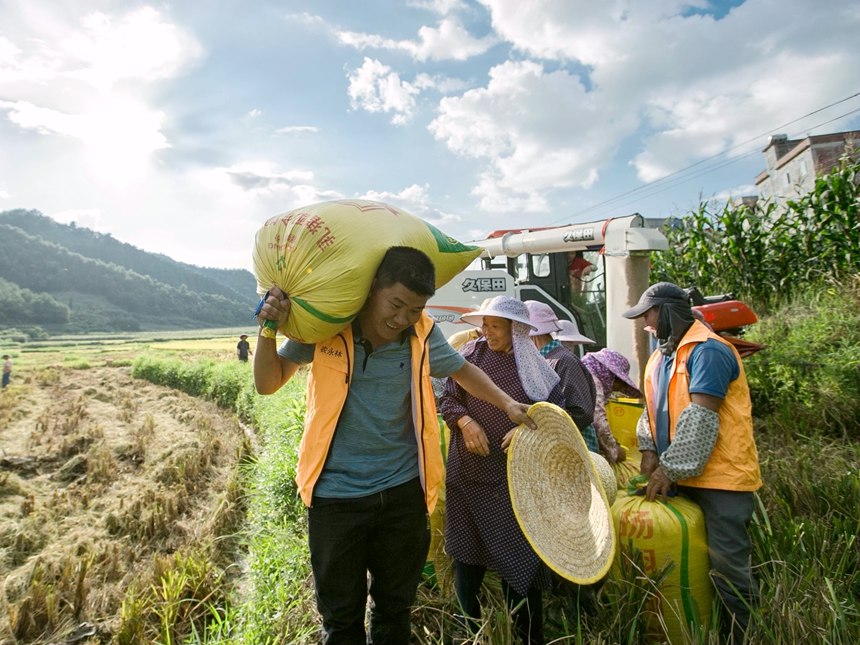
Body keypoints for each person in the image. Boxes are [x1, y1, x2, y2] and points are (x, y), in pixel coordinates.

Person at [253, 247, 536, 645]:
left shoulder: (421, 330)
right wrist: (267, 327)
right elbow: (267, 382)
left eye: (414, 308)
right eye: (397, 304)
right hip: (336, 498)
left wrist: (506, 402)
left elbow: (462, 370)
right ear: (372, 291)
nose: (402, 319)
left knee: (394, 612)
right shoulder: (327, 327)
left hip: (402, 496)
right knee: (341, 621)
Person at [623, 282, 762, 642]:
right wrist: (649, 449)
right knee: (695, 568)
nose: (646, 325)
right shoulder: (660, 358)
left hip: (721, 480)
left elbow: (701, 418)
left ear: (668, 312)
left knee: (727, 571)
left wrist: (670, 468)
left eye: (649, 316)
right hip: (681, 478)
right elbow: (649, 412)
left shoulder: (709, 351)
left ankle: (740, 636)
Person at [440, 296, 564, 645]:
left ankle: (528, 635)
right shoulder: (470, 358)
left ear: (516, 329)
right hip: (469, 476)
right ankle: (470, 632)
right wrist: (465, 422)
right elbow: (447, 398)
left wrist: (527, 428)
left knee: (520, 557)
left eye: (495, 326)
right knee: (466, 555)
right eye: (485, 325)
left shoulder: (537, 368)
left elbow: (554, 413)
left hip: (516, 481)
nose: (486, 332)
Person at [524, 301, 597, 451]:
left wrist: (539, 428)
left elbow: (581, 413)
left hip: (571, 449)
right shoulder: (546, 359)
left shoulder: (563, 361)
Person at [580, 348, 642, 464]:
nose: (615, 389)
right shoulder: (593, 380)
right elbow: (598, 420)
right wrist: (615, 450)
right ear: (611, 376)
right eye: (618, 384)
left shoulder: (582, 372)